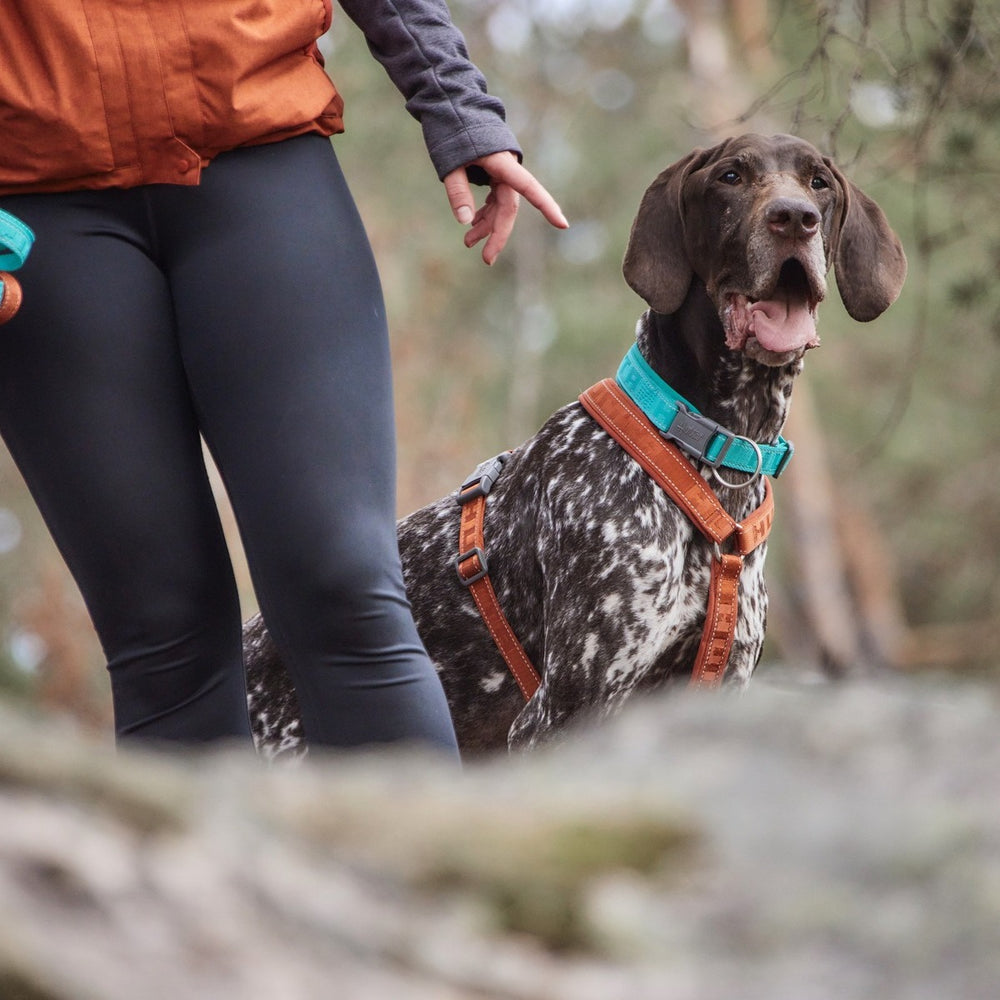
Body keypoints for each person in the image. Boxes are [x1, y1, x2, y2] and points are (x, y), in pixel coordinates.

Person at [0, 1, 567, 752]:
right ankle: (203, 875)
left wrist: (457, 103)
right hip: (37, 207)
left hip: (260, 159)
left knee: (343, 589)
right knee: (161, 635)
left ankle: (414, 868)